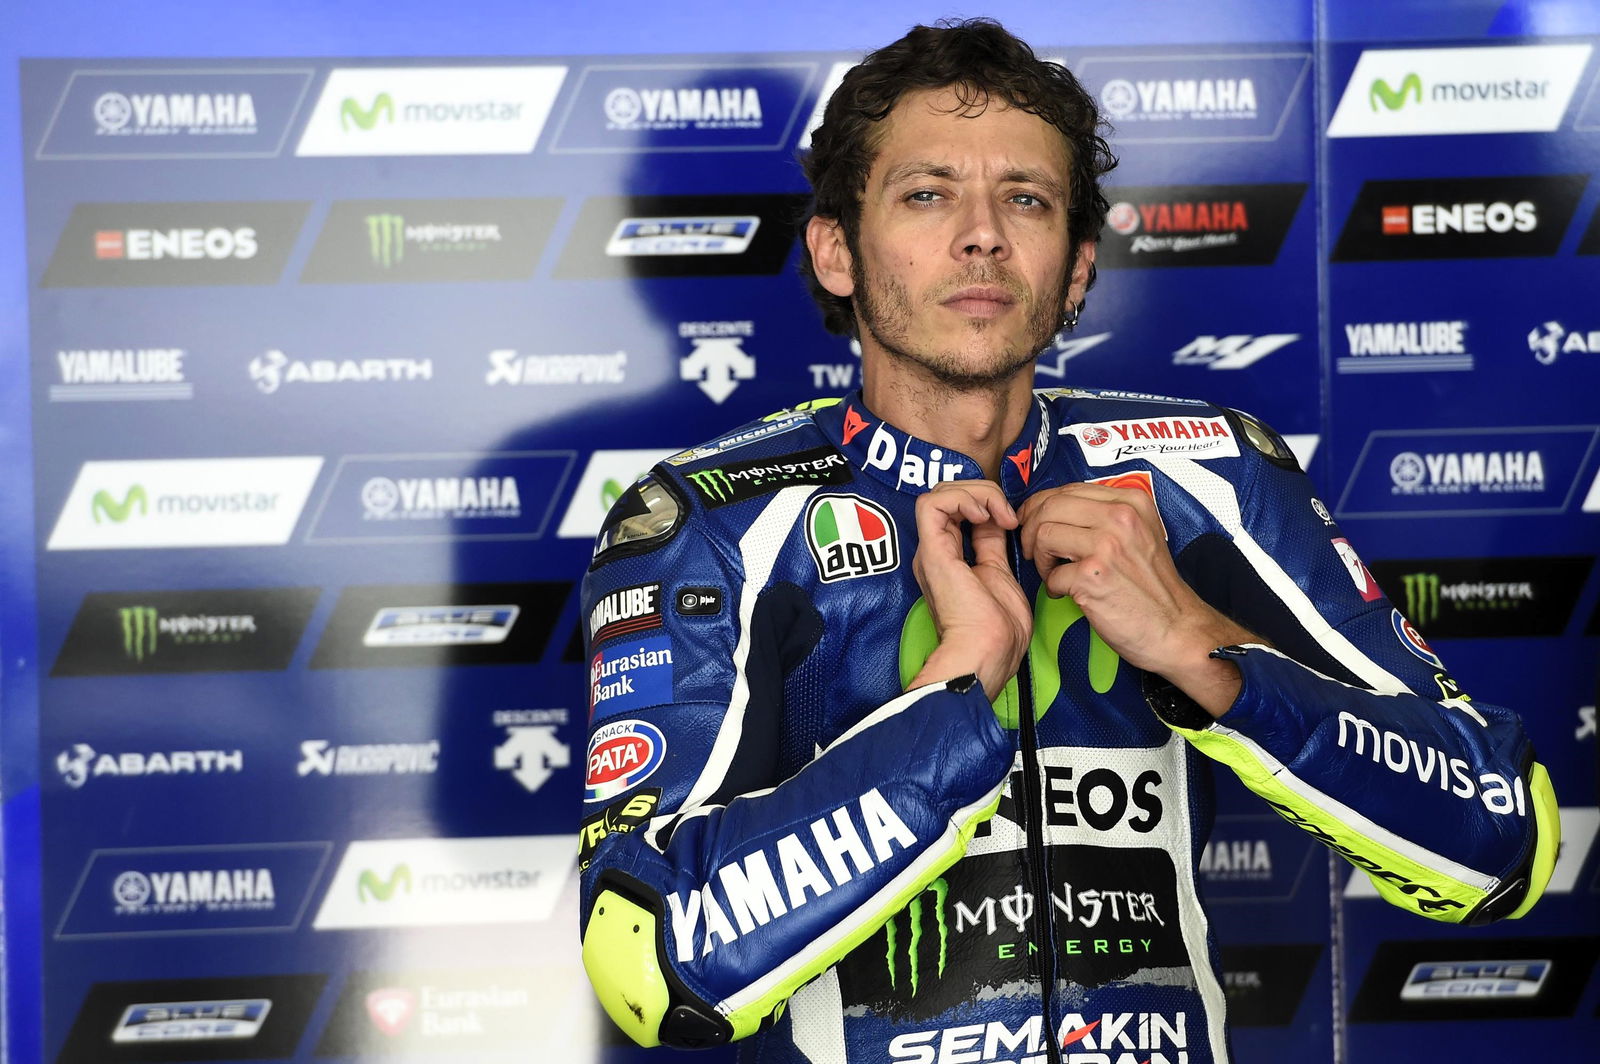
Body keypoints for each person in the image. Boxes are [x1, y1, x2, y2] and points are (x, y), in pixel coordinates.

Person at [576, 19, 1557, 1064]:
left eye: (1026, 199)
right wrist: (950, 699)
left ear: (1078, 268)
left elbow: (1505, 839)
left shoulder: (1206, 473)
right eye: (926, 194)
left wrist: (1200, 650)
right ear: (835, 251)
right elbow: (649, 959)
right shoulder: (716, 517)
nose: (982, 235)